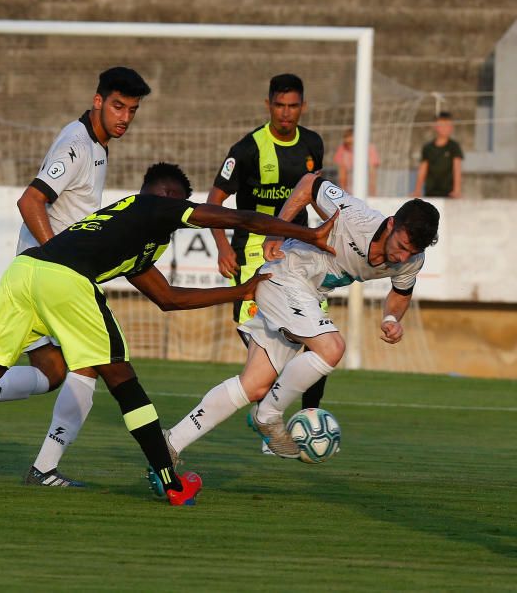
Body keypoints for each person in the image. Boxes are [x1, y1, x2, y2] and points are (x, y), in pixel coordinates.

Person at [0, 163, 337, 505]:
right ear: (165, 197)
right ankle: (172, 484)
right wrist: (307, 233)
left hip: (23, 275)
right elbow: (239, 220)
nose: (182, 210)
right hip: (61, 277)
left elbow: (168, 299)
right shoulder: (152, 206)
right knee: (122, 378)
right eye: (179, 202)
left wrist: (239, 290)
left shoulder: (135, 236)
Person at [152, 173, 439, 495]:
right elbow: (308, 183)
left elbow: (401, 292)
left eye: (410, 252)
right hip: (283, 276)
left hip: (305, 295)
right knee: (332, 347)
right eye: (400, 246)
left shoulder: (412, 258)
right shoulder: (354, 215)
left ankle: (170, 443)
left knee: (254, 384)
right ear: (390, 225)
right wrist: (277, 229)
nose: (402, 257)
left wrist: (391, 317)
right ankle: (268, 415)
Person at [0, 66, 152, 488]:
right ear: (98, 101)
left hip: (39, 272)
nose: (124, 117)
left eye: (132, 110)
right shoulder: (75, 143)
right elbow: (30, 200)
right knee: (91, 366)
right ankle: (44, 468)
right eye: (117, 106)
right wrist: (59, 257)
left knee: (52, 371)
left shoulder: (98, 144)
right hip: (49, 275)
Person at [207, 73, 328, 451]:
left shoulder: (312, 144)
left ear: (302, 107)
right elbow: (213, 202)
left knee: (318, 338)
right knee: (264, 347)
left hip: (301, 256)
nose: (286, 113)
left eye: (293, 106)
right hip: (253, 255)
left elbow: (314, 195)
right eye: (280, 105)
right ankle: (268, 417)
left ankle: (307, 420)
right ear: (268, 105)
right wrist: (223, 247)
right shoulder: (246, 150)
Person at [413, 111, 463, 198]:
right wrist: (417, 190)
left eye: (448, 125)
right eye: (442, 125)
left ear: (451, 127)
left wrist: (457, 190)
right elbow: (422, 170)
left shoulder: (454, 146)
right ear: (435, 126)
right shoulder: (428, 148)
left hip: (448, 193)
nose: (445, 128)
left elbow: (457, 169)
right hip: (430, 193)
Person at [333, 127, 380, 196]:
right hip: (349, 175)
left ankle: (372, 196)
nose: (347, 140)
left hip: (365, 175)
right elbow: (341, 170)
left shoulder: (369, 148)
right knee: (342, 171)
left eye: (350, 138)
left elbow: (372, 171)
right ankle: (344, 195)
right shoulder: (343, 148)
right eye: (346, 138)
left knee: (371, 173)